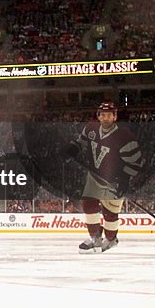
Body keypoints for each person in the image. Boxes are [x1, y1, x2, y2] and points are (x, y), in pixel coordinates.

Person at [64, 101, 142, 253]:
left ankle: (111, 239)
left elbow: (135, 162)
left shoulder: (124, 136)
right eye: (103, 115)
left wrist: (123, 180)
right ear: (99, 116)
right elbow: (81, 142)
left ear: (115, 117)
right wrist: (73, 148)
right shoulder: (91, 129)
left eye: (109, 115)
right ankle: (95, 238)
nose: (106, 118)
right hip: (95, 175)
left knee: (110, 212)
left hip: (115, 179)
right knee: (88, 205)